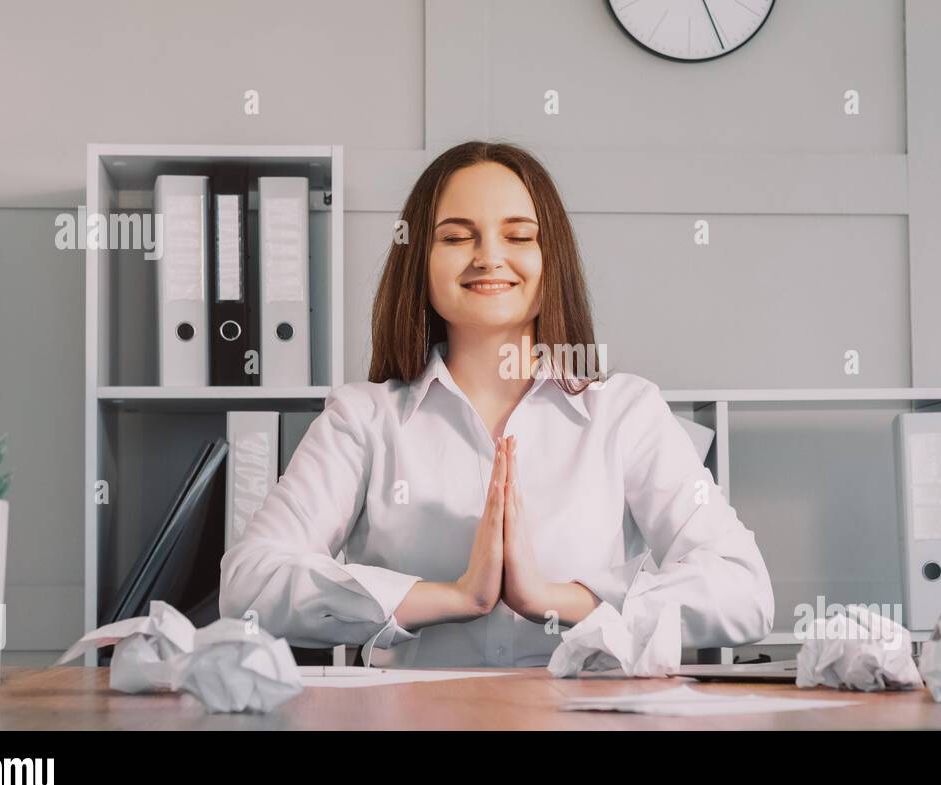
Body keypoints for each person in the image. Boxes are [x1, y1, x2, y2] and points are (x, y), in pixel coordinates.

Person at [220, 140, 774, 667]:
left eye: (518, 235)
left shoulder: (626, 412)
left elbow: (743, 591)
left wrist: (555, 599)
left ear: (550, 256)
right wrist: (451, 598)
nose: (489, 257)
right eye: (457, 237)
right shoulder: (362, 418)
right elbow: (248, 584)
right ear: (419, 259)